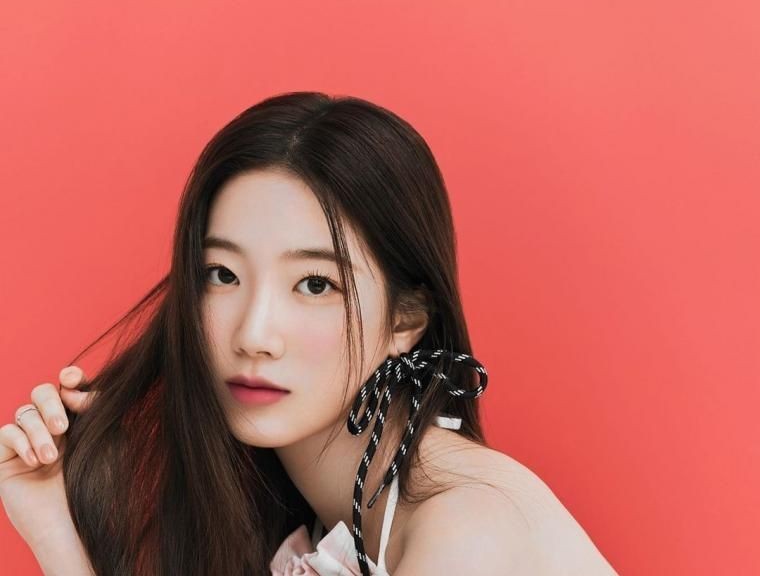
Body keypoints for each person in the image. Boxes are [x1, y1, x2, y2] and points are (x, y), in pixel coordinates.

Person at [0, 92, 618, 575]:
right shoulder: (327, 523)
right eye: (221, 274)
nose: (254, 335)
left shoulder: (467, 527)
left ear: (406, 319)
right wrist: (52, 524)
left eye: (316, 284)